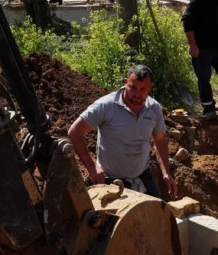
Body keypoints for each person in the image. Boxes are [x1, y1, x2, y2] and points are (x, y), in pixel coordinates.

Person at [68, 64, 177, 199]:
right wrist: (92, 168)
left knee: (156, 216)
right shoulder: (106, 106)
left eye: (143, 89)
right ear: (126, 83)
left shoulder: (154, 109)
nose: (137, 94)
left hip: (142, 177)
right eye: (133, 87)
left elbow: (159, 140)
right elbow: (75, 132)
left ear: (150, 87)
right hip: (110, 181)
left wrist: (166, 173)